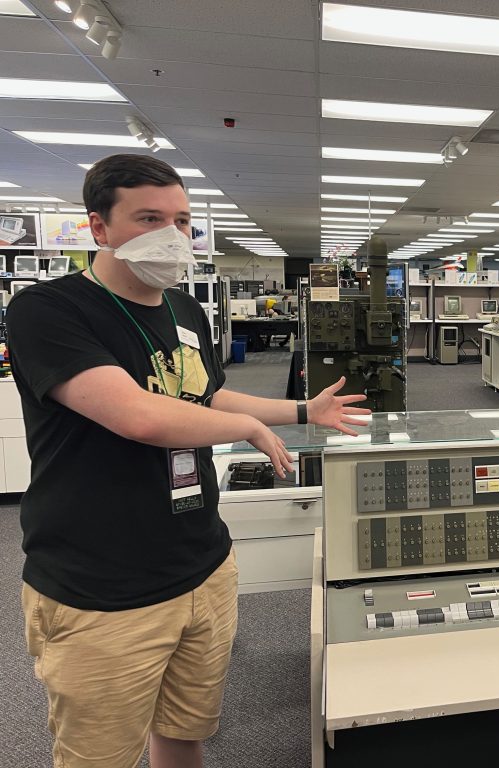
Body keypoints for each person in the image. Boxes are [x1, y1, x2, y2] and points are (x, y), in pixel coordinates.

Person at [8, 153, 371, 768]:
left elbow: (202, 394)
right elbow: (138, 415)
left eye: (181, 221)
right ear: (98, 226)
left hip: (204, 563)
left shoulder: (185, 309)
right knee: (99, 756)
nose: (172, 235)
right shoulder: (49, 310)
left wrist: (300, 411)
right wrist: (247, 428)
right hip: (102, 585)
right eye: (149, 218)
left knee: (183, 732)